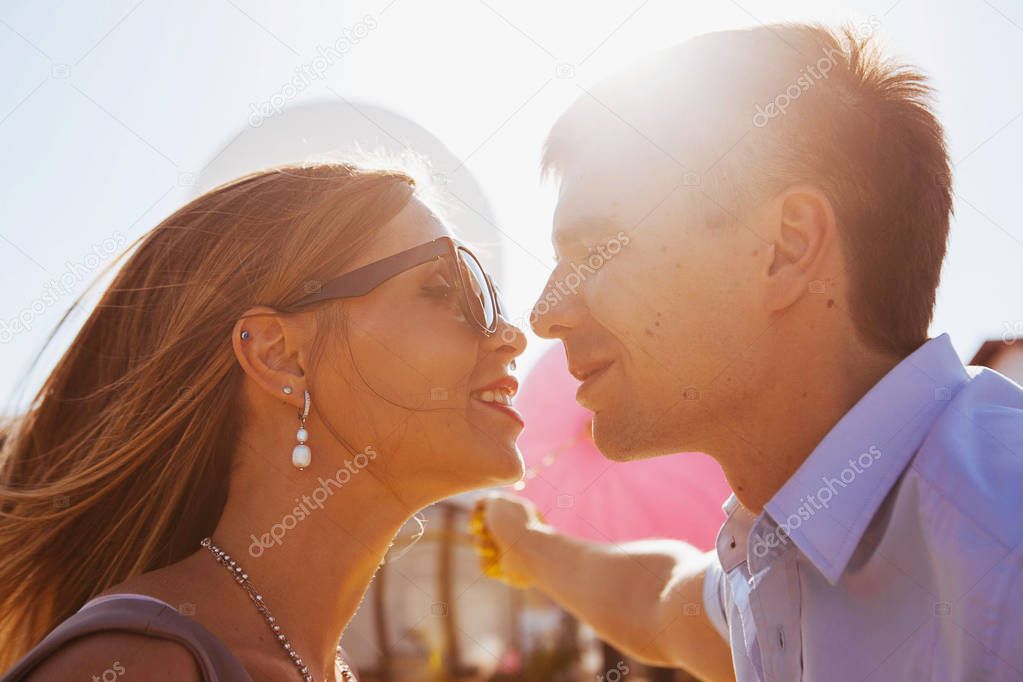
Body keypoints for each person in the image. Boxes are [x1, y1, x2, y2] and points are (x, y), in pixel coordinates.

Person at [475, 23, 1023, 682]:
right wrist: (528, 545)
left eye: (597, 251)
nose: (542, 314)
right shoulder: (790, 541)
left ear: (786, 248)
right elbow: (655, 601)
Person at [0, 162, 527, 681]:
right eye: (443, 288)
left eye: (485, 296)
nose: (511, 335)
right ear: (281, 358)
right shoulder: (138, 665)